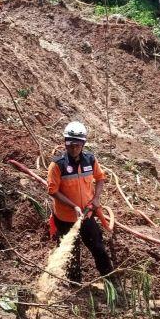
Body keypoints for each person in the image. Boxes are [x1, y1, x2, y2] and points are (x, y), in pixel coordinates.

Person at [46, 121, 113, 283]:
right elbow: (52, 191)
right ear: (65, 142)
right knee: (71, 254)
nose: (73, 148)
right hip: (65, 219)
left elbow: (101, 178)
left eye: (77, 144)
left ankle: (111, 280)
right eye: (70, 144)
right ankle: (75, 286)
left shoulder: (90, 160)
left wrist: (96, 198)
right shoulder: (57, 165)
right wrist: (74, 206)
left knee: (98, 247)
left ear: (83, 144)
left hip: (87, 216)